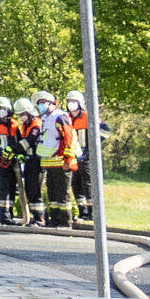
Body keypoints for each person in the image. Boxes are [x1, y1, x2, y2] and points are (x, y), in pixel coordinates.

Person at [33, 91, 70, 227]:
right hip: (49, 162)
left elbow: (68, 138)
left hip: (61, 161)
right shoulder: (44, 118)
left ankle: (66, 222)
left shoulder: (60, 117)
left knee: (62, 194)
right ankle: (54, 220)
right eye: (39, 104)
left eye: (43, 103)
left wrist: (67, 159)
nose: (41, 106)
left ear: (51, 103)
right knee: (52, 194)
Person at [0, 96, 22, 224]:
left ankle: (10, 215)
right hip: (1, 162)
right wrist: (3, 152)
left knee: (12, 189)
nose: (1, 111)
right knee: (3, 189)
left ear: (9, 110)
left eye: (3, 108)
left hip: (15, 162)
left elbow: (20, 141)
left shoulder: (15, 124)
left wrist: (20, 154)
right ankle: (4, 217)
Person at [64, 90, 95, 226]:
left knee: (87, 183)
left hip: (87, 157)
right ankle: (82, 211)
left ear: (79, 103)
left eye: (73, 101)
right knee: (75, 184)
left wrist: (94, 146)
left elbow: (105, 129)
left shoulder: (89, 117)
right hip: (74, 157)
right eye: (69, 101)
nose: (71, 104)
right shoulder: (67, 118)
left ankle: (92, 212)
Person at [13, 96, 45, 225]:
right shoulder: (26, 125)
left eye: (23, 114)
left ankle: (40, 218)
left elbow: (30, 141)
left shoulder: (36, 124)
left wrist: (14, 149)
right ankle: (35, 216)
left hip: (37, 161)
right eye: (20, 115)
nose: (21, 117)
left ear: (29, 112)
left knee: (35, 189)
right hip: (30, 161)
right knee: (30, 189)